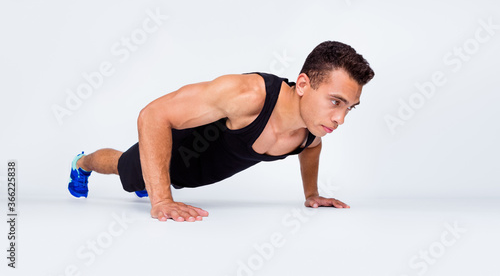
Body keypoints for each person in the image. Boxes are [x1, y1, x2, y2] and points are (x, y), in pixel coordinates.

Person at [68, 41, 375, 222]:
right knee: (123, 167)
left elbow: (312, 147)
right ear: (304, 84)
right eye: (336, 101)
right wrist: (161, 200)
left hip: (189, 179)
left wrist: (312, 194)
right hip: (172, 153)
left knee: (143, 179)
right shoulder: (248, 95)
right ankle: (81, 164)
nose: (341, 119)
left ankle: (149, 182)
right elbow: (153, 115)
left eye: (350, 107)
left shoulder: (310, 128)